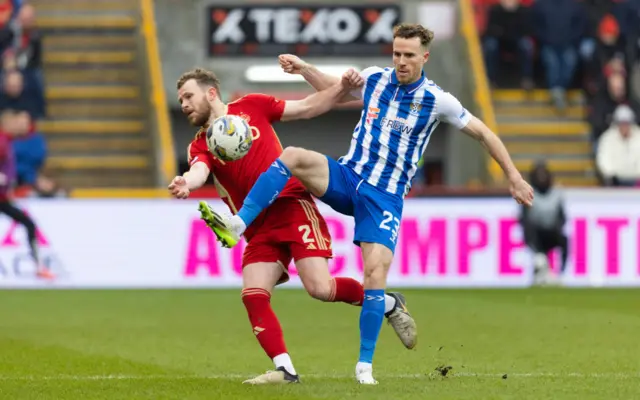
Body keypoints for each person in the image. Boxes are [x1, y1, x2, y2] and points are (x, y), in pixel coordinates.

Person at [201, 23, 534, 385]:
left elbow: (484, 133)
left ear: (425, 56)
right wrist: (304, 69)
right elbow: (334, 90)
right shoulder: (377, 78)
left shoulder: (439, 101)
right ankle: (239, 223)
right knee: (293, 156)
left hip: (384, 197)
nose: (401, 61)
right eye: (397, 53)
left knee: (374, 274)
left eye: (409, 55)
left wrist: (513, 176)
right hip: (347, 178)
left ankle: (365, 368)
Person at [168, 68, 417, 385]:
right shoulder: (200, 144)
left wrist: (341, 87)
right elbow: (199, 171)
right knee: (253, 294)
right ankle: (285, 370)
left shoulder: (253, 106)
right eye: (181, 100)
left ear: (211, 93)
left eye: (189, 96)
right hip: (257, 228)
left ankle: (390, 302)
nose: (185, 104)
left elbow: (307, 107)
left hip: (291, 207)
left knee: (320, 289)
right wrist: (186, 184)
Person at [0, 110, 53, 280]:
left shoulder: (8, 142)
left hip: (3, 199)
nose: (21, 126)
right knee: (28, 224)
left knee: (29, 224)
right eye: (17, 122)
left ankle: (39, 266)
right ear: (7, 124)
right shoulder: (2, 142)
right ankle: (39, 266)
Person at [519, 161, 568, 285]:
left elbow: (562, 217)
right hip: (535, 233)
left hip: (552, 231)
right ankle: (540, 264)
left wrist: (557, 226)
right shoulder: (528, 193)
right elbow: (523, 218)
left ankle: (560, 273)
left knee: (565, 240)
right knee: (530, 230)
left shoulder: (557, 193)